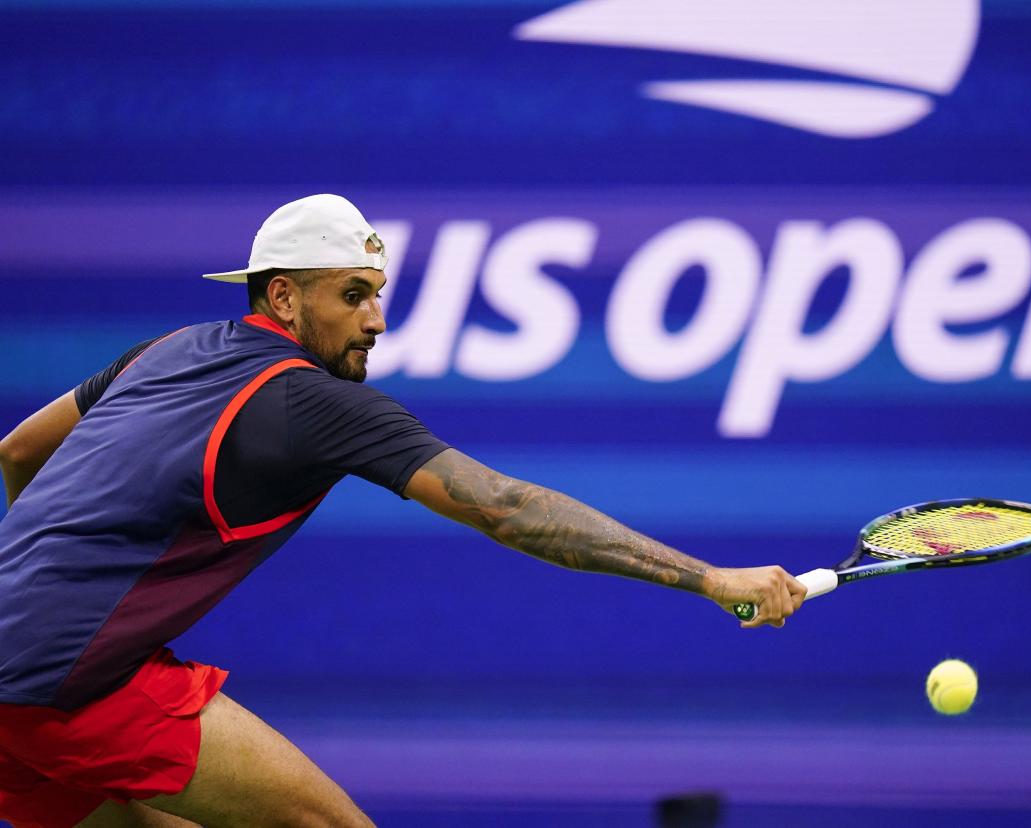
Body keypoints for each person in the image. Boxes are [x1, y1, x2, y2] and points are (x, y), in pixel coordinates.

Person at [0, 194, 806, 828]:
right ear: (283, 298)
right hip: (66, 680)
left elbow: (19, 453)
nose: (377, 322)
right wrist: (711, 578)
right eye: (354, 297)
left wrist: (58, 585)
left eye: (379, 296)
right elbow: (507, 508)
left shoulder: (167, 349)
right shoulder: (311, 403)